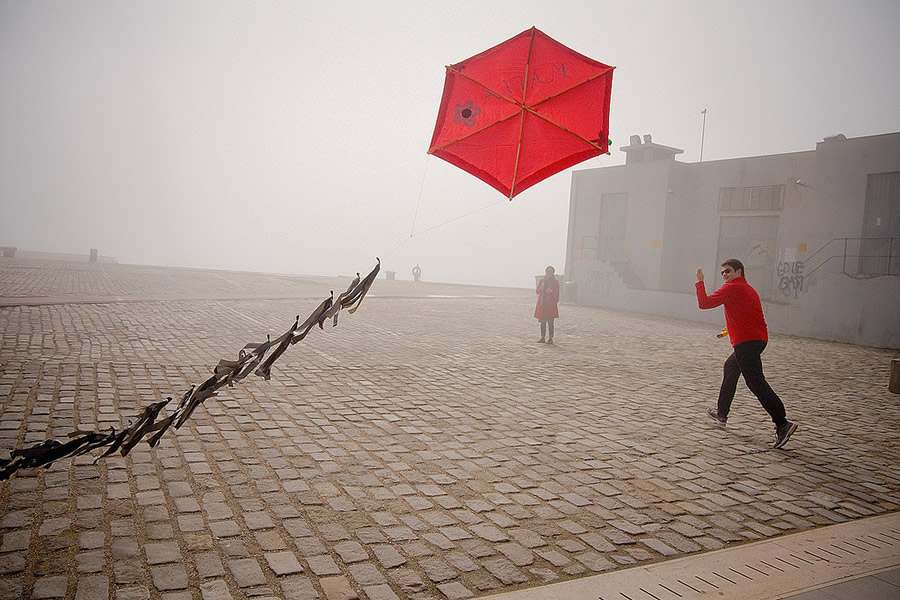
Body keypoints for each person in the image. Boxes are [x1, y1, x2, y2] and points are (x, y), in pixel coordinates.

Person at [696, 259, 798, 449]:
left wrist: (700, 281)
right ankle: (722, 413)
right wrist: (729, 328)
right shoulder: (749, 289)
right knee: (730, 367)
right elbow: (745, 314)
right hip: (758, 340)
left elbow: (704, 303)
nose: (724, 275)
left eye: (727, 271)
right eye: (722, 273)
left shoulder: (731, 288)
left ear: (739, 271)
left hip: (746, 343)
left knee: (756, 382)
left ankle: (782, 423)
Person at [535, 266, 560, 344]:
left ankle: (550, 338)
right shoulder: (542, 281)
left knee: (550, 322)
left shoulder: (555, 282)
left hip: (551, 304)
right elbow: (537, 291)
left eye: (551, 271)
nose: (549, 273)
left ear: (553, 273)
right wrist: (540, 289)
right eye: (548, 271)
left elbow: (557, 292)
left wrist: (552, 291)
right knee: (542, 322)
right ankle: (542, 337)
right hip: (543, 304)